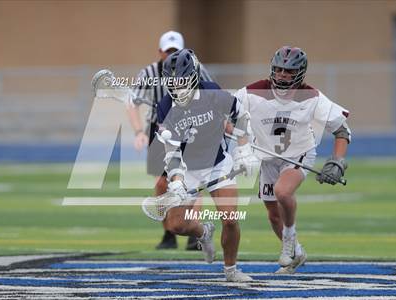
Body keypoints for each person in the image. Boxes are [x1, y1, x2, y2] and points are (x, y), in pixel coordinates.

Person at [234, 46, 351, 274]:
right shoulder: (251, 93)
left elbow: (342, 131)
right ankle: (297, 252)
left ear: (300, 72)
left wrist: (338, 160)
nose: (282, 75)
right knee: (273, 214)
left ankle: (288, 241)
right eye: (278, 70)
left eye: (288, 71)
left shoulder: (312, 97)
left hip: (299, 153)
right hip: (267, 157)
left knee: (283, 192)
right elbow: (228, 114)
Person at [157, 49, 258, 282]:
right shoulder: (164, 106)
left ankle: (231, 271)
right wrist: (177, 180)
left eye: (182, 80)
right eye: (172, 81)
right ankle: (203, 231)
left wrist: (243, 149)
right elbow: (170, 149)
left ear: (193, 76)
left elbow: (241, 115)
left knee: (231, 218)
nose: (177, 86)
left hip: (217, 164)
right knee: (176, 226)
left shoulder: (211, 91)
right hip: (187, 167)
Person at [127, 31, 212, 250]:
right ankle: (168, 234)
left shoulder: (197, 68)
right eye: (168, 52)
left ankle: (194, 232)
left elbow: (212, 95)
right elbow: (132, 103)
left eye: (175, 52)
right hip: (160, 130)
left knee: (193, 184)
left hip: (191, 128)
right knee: (162, 183)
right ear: (160, 52)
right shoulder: (149, 73)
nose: (171, 56)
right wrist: (138, 132)